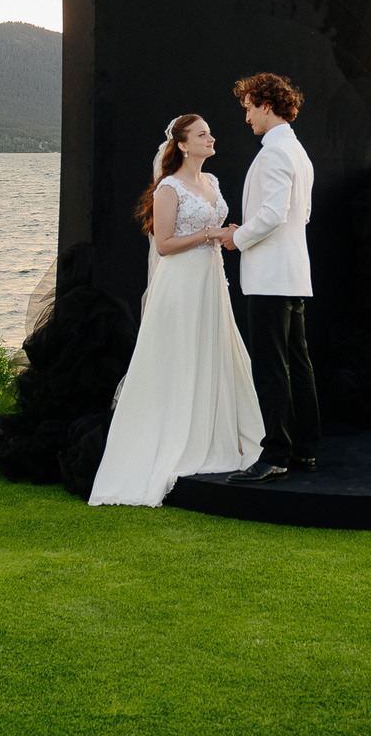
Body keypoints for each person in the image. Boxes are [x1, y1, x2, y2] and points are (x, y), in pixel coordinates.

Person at [86, 113, 265, 506]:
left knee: (211, 352)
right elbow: (164, 244)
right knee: (179, 355)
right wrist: (210, 234)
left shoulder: (212, 182)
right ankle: (169, 441)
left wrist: (226, 233)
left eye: (209, 133)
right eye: (203, 134)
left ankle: (211, 434)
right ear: (183, 144)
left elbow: (216, 228)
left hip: (211, 280)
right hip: (181, 283)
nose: (211, 138)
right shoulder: (169, 187)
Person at [229, 72, 321, 482]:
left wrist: (237, 238)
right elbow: (301, 215)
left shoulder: (274, 154)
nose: (246, 117)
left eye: (248, 108)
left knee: (272, 367)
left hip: (270, 276)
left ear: (267, 105)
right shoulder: (297, 151)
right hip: (292, 272)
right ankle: (304, 450)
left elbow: (273, 214)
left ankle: (276, 454)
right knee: (297, 364)